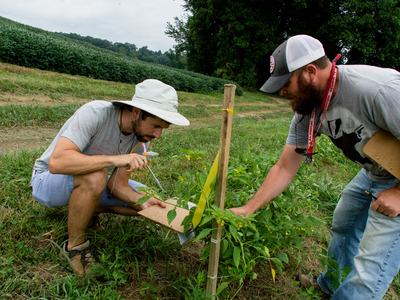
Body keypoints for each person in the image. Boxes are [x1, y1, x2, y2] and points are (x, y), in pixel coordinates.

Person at [230, 34, 400, 299]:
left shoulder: (376, 90)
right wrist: (248, 208)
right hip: (375, 171)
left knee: (369, 271)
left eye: (286, 83)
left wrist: (399, 193)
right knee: (345, 223)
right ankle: (330, 285)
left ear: (310, 72)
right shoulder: (309, 108)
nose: (282, 91)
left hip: (397, 181)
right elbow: (285, 166)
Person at [31, 79, 190, 275]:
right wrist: (115, 159)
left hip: (92, 181)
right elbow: (57, 163)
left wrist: (143, 202)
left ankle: (90, 208)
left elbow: (117, 185)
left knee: (145, 195)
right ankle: (75, 247)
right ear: (136, 112)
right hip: (46, 181)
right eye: (156, 126)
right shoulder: (95, 113)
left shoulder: (142, 137)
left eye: (163, 128)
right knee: (96, 176)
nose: (158, 134)